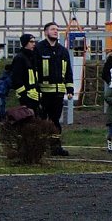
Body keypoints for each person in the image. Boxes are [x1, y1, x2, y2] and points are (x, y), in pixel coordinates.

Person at [35, 22, 74, 156]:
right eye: (52, 29)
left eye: (57, 29)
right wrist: (36, 90)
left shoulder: (63, 51)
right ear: (45, 32)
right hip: (43, 93)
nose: (56, 31)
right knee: (40, 120)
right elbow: (35, 71)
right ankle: (39, 147)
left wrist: (70, 90)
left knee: (55, 121)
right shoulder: (39, 49)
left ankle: (55, 147)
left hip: (58, 93)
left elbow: (68, 71)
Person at [11, 34, 40, 113]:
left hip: (35, 95)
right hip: (26, 97)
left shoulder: (33, 57)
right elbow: (16, 80)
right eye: (31, 42)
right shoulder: (20, 58)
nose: (34, 44)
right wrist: (24, 96)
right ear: (25, 43)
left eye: (34, 42)